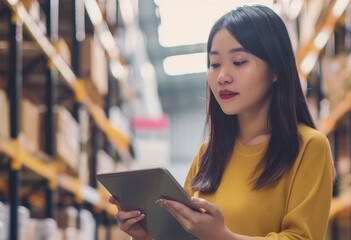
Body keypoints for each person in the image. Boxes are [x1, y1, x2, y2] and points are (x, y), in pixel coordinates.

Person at [109, 4, 334, 239]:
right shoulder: (207, 154)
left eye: (238, 62)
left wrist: (222, 236)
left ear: (276, 70)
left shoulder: (308, 146)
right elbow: (182, 235)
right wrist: (146, 235)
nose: (222, 77)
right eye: (214, 64)